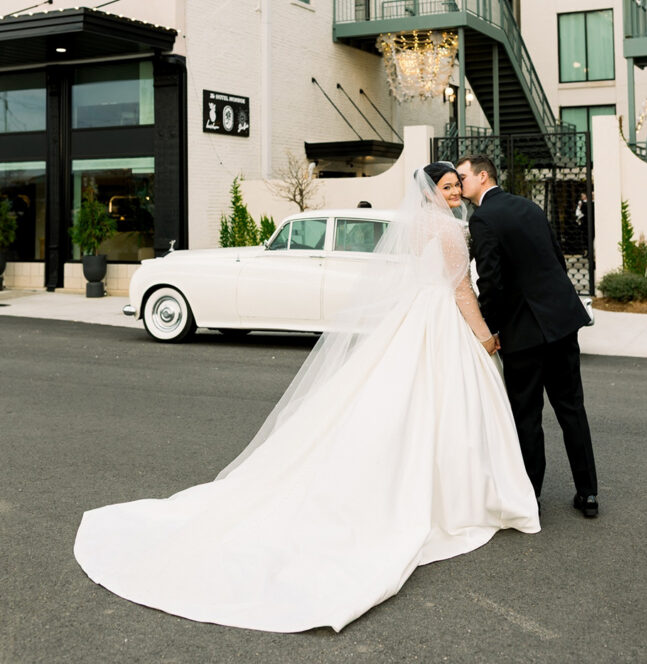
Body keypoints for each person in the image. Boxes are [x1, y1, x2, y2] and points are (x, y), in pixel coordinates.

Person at [74, 163, 539, 633]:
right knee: (440, 408)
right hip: (438, 320)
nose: (456, 192)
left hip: (414, 317)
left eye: (458, 185)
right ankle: (456, 494)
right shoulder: (448, 228)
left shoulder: (416, 224)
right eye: (447, 186)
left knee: (394, 404)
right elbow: (460, 289)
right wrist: (483, 336)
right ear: (432, 192)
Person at [456, 154, 598, 518]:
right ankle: (589, 493)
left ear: (483, 177)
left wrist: (491, 327)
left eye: (463, 178)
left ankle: (530, 496)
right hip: (562, 321)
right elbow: (556, 258)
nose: (459, 185)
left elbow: (490, 281)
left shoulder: (484, 218)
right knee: (571, 410)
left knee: (527, 416)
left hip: (523, 332)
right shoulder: (529, 206)